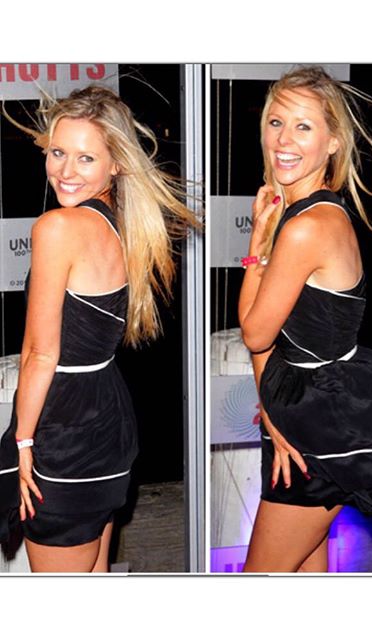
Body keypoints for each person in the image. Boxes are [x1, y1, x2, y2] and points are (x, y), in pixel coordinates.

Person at [0, 85, 198, 572]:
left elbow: (40, 354)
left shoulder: (58, 228)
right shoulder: (124, 225)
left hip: (63, 426)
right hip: (109, 418)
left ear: (116, 164)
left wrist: (23, 440)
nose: (65, 171)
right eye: (58, 153)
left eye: (85, 158)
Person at [238, 66, 372, 572]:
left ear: (333, 142)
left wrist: (256, 246)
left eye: (303, 126)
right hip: (312, 406)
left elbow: (255, 333)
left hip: (322, 418)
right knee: (307, 570)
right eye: (276, 123)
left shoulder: (306, 227)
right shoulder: (305, 214)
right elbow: (266, 337)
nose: (283, 140)